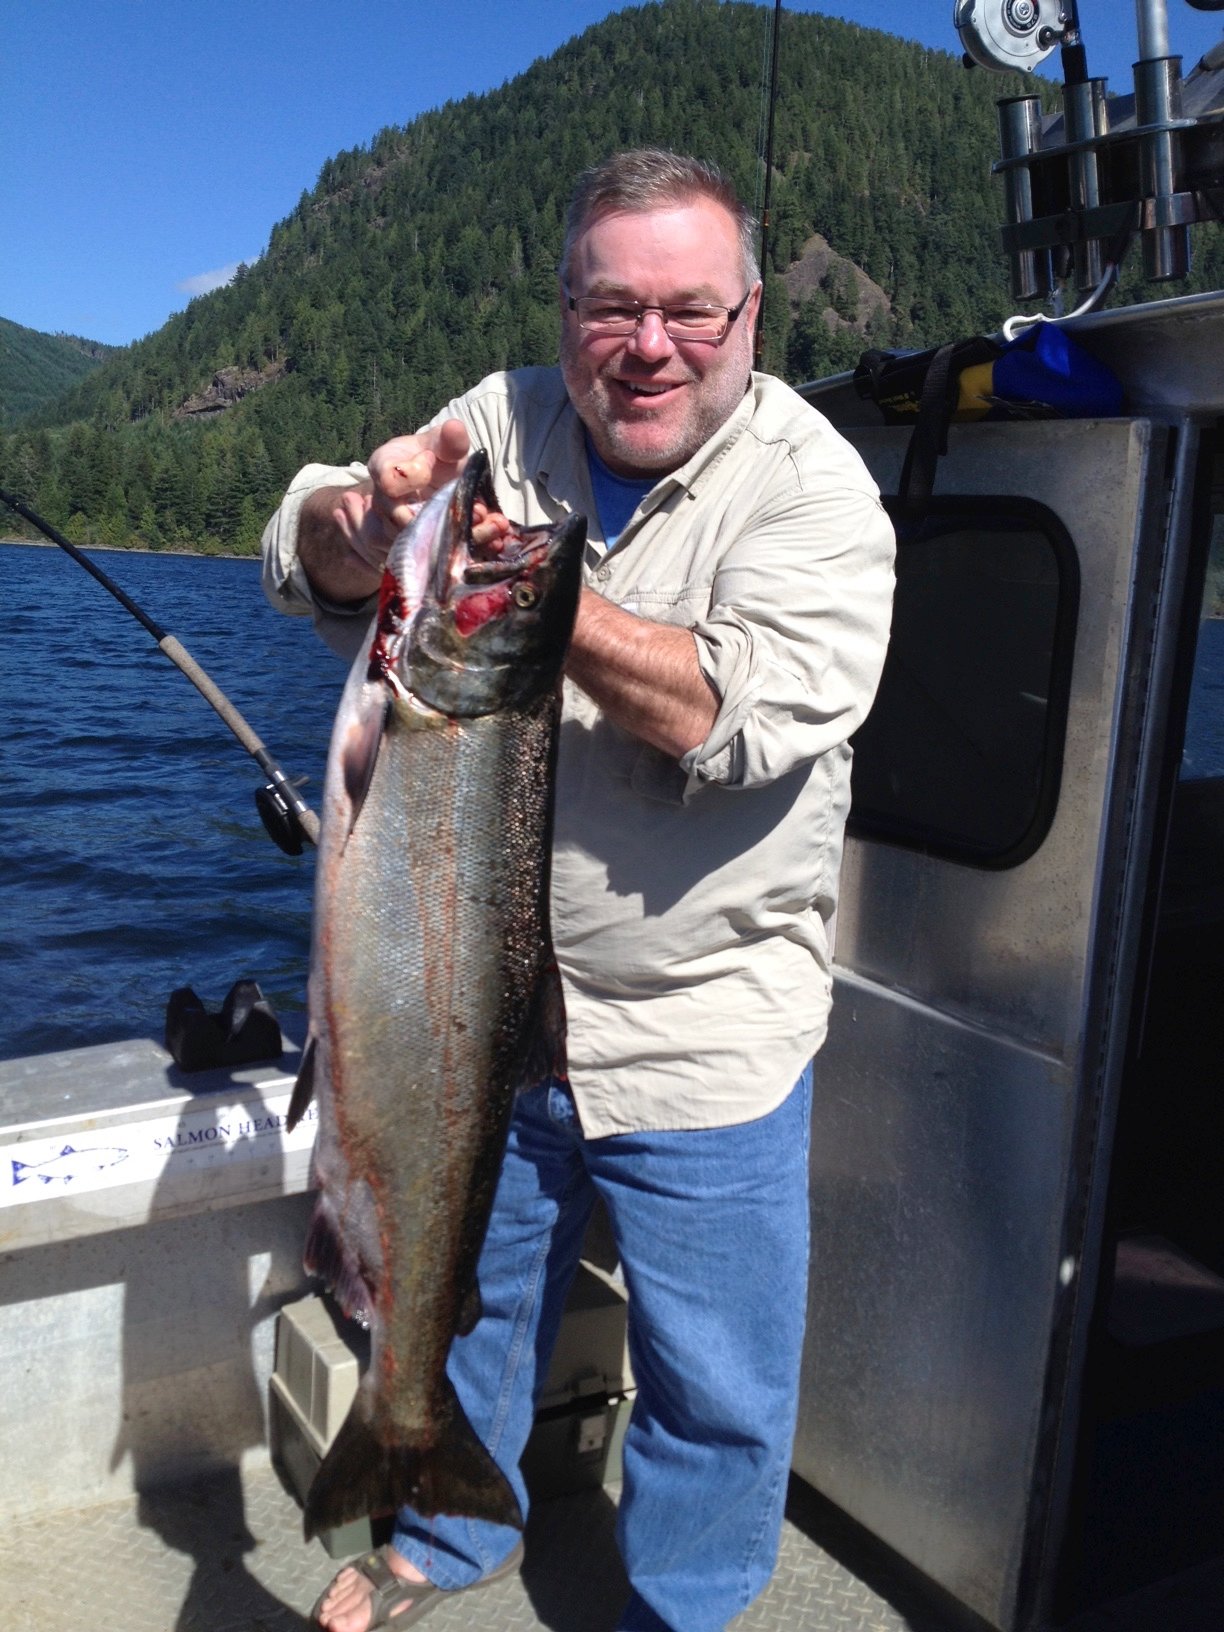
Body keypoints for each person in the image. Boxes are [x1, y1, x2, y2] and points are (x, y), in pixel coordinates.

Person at [262, 148, 895, 1632]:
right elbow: (313, 547)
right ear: (565, 312)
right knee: (458, 1312)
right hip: (468, 1008)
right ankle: (442, 1532)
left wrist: (532, 597)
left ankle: (690, 1599)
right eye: (612, 306)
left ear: (751, 315)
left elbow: (729, 715)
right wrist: (358, 528)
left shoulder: (819, 495)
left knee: (717, 1379)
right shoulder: (503, 421)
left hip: (705, 1022)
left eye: (690, 308)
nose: (650, 343)